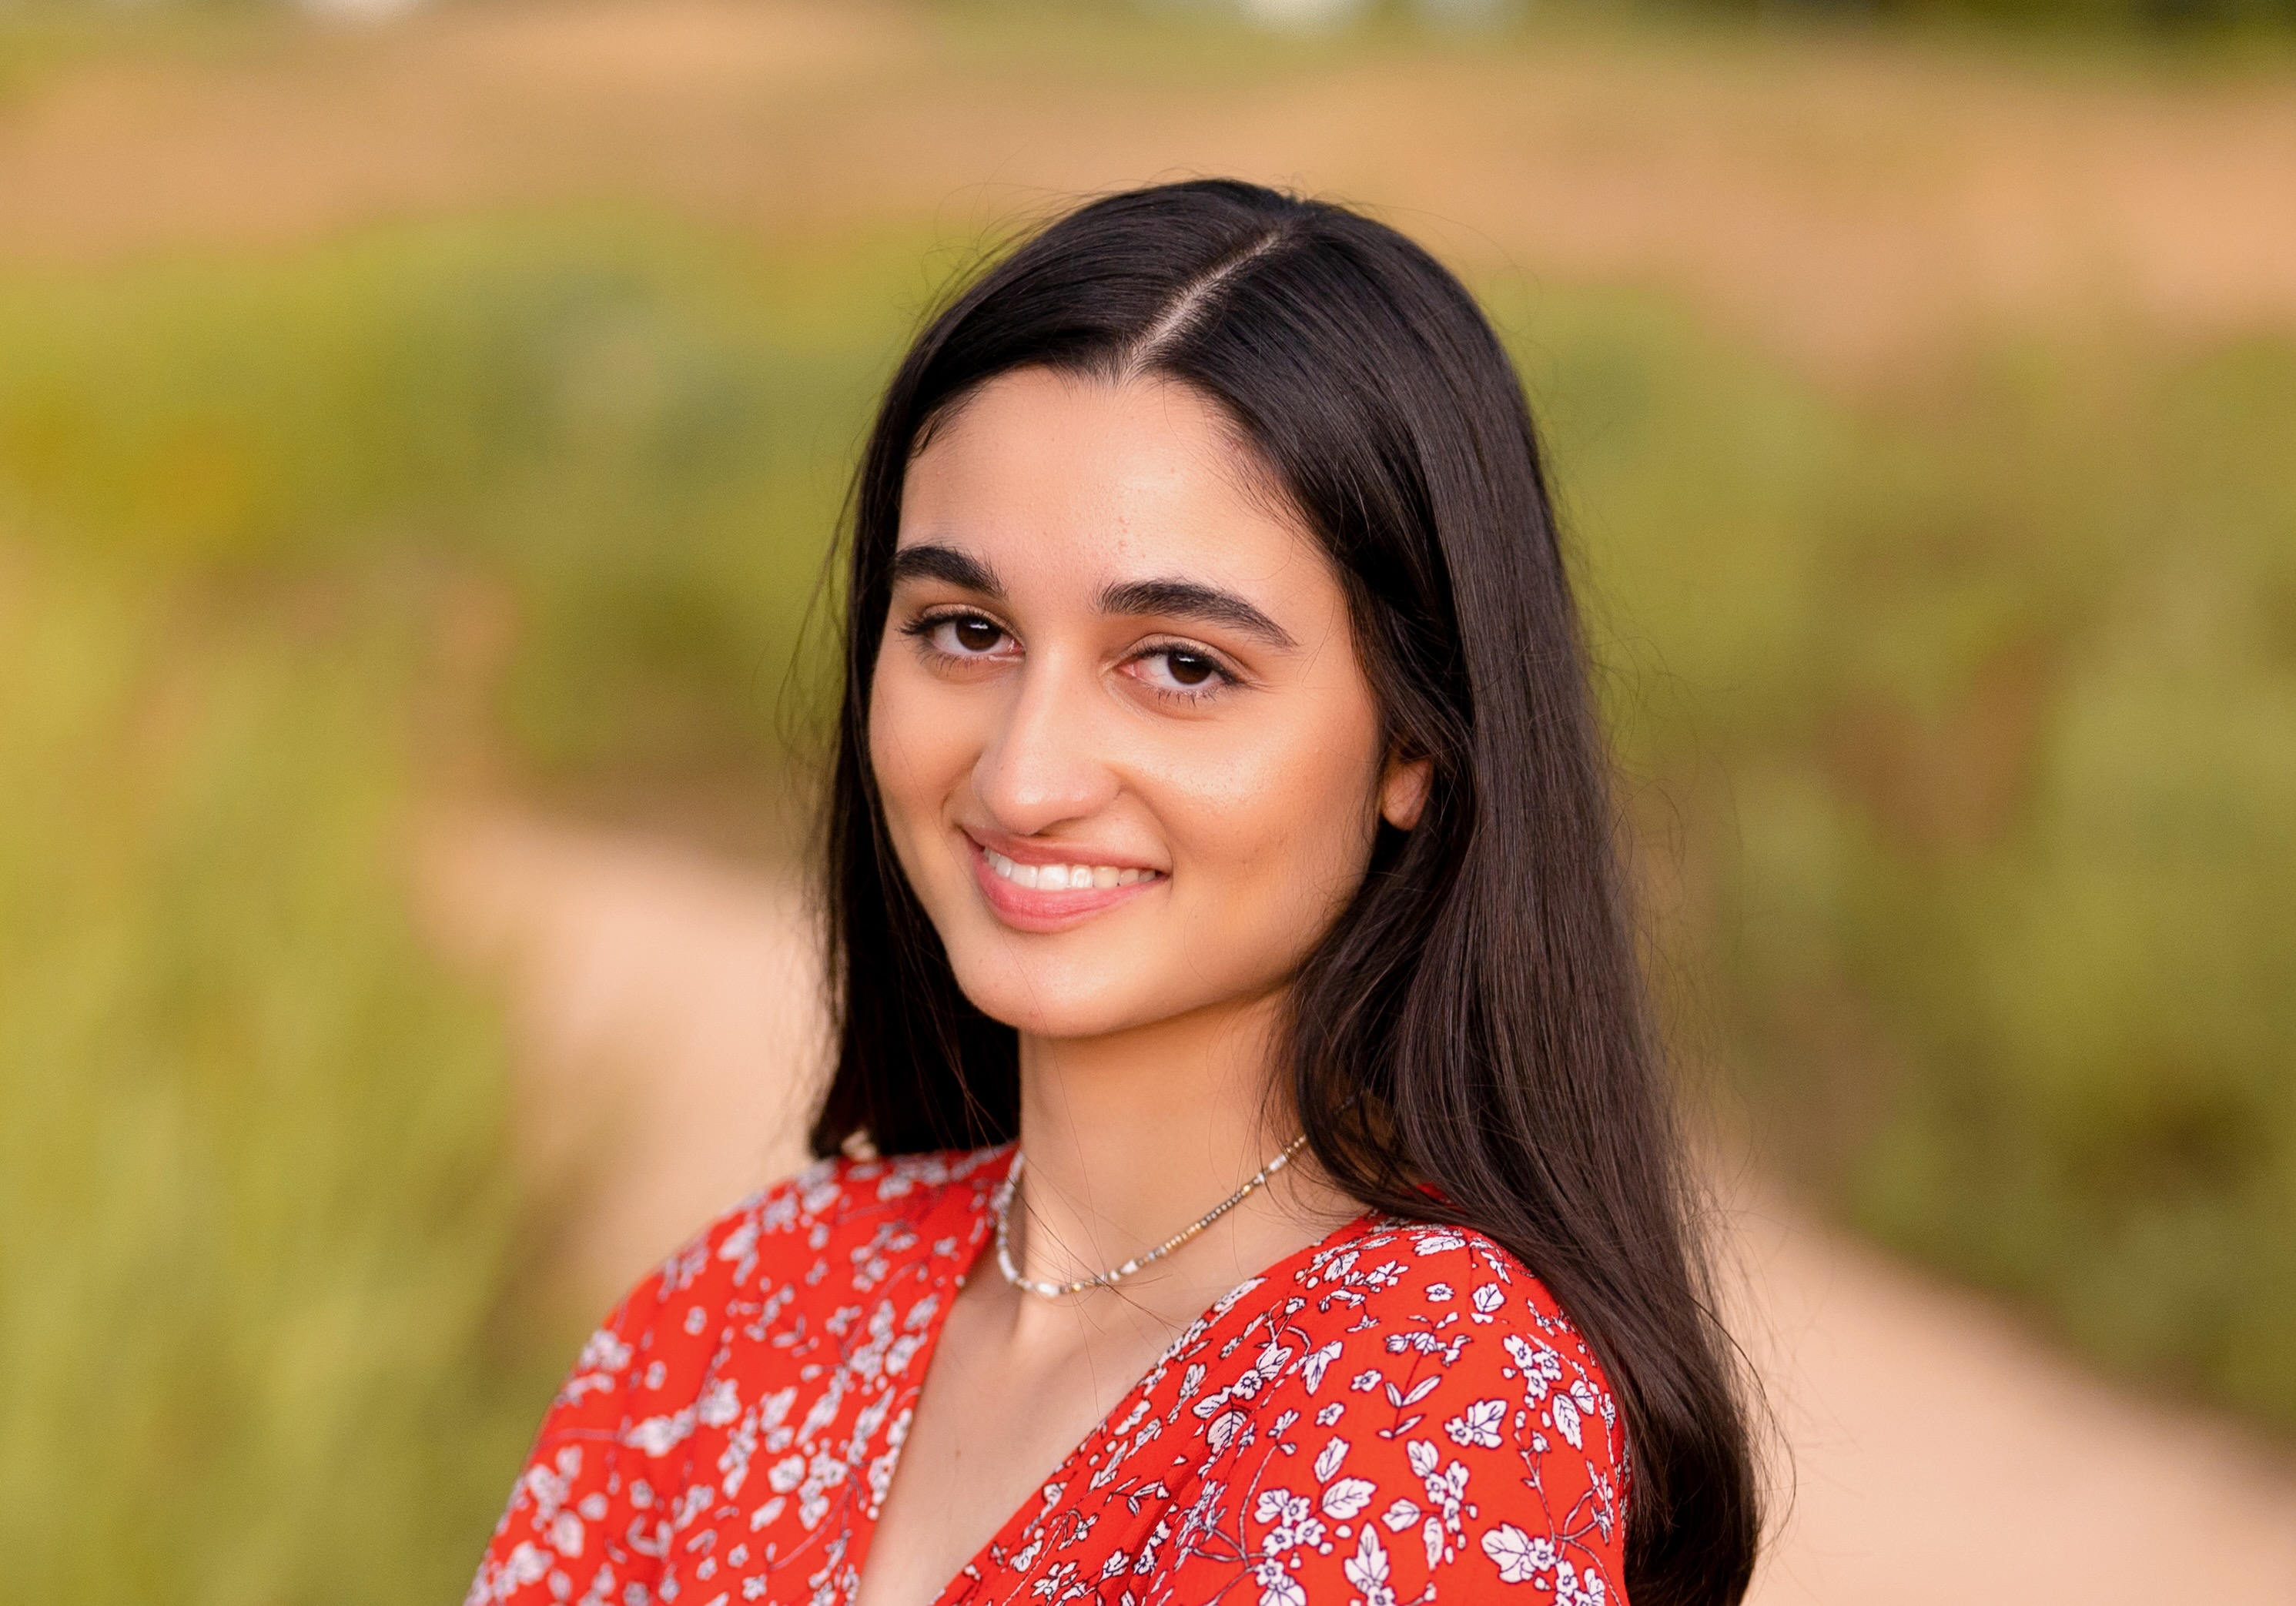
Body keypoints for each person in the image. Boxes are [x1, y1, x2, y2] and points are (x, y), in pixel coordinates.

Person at [468, 179, 1759, 1606]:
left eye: (1181, 664)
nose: (1023, 778)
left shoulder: (1428, 1397)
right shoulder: (752, 1303)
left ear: (1415, 742)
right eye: (964, 631)